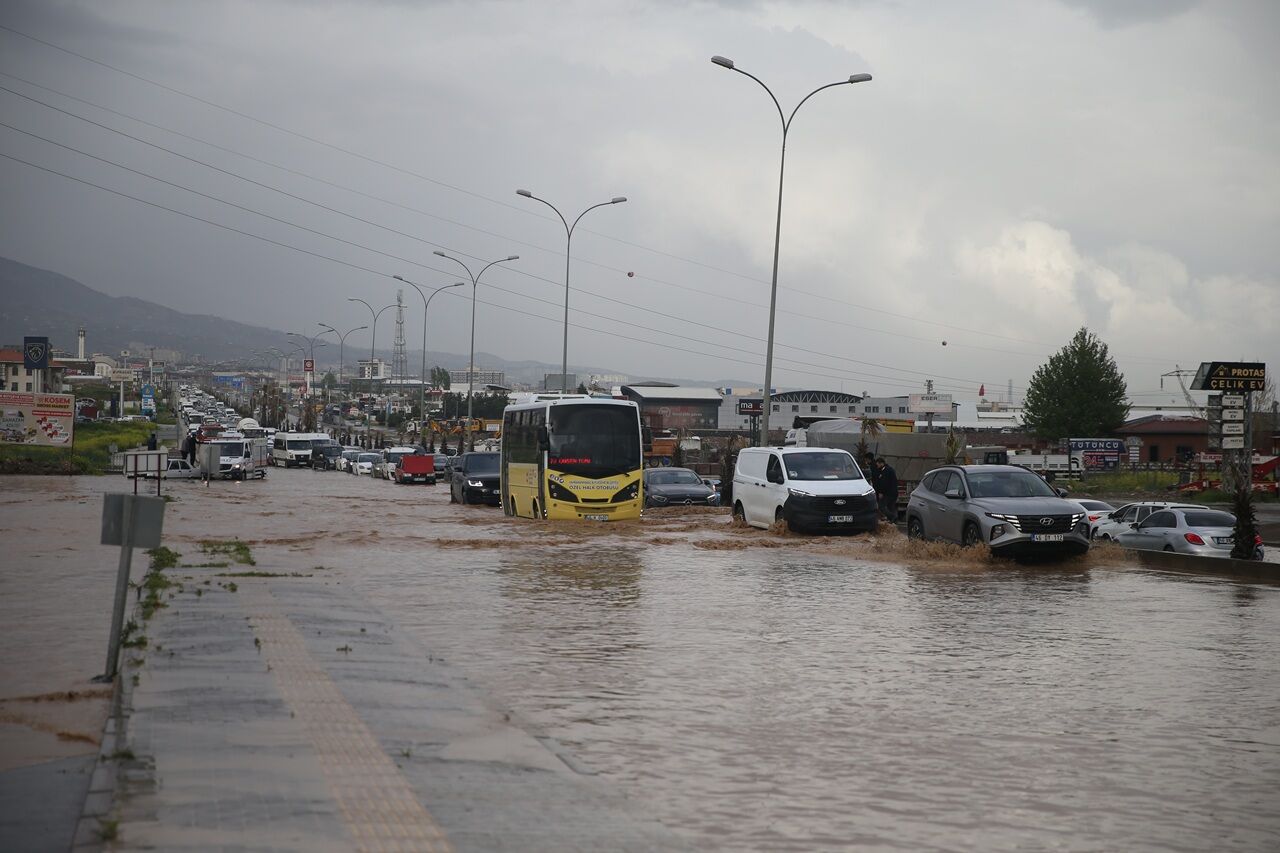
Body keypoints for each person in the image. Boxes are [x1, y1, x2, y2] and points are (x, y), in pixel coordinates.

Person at [874, 457, 899, 523]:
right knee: (891, 506)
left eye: (878, 464)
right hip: (893, 492)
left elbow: (884, 483)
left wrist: (881, 492)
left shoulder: (886, 471)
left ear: (882, 463)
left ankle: (892, 517)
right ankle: (893, 520)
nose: (877, 466)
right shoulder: (889, 469)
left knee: (881, 506)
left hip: (889, 493)